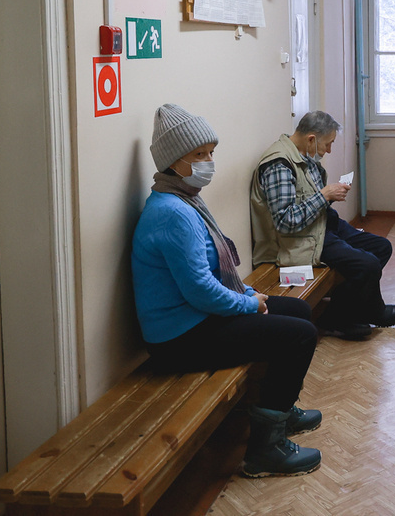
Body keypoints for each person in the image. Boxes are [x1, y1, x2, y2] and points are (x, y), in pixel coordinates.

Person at [131, 104, 322, 478]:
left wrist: (248, 297)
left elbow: (208, 277)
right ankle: (265, 449)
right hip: (179, 338)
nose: (209, 162)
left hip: (196, 319)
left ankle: (280, 408)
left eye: (210, 152)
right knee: (299, 335)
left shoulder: (183, 198)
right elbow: (201, 290)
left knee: (298, 312)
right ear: (172, 161)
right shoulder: (173, 212)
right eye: (198, 155)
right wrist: (249, 304)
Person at [250, 111, 395, 341]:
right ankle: (353, 315)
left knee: (381, 247)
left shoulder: (304, 155)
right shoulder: (279, 165)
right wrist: (324, 196)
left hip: (321, 225)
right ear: (311, 139)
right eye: (328, 143)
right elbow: (285, 222)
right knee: (368, 264)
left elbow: (309, 200)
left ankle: (346, 311)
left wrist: (329, 196)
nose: (329, 150)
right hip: (299, 239)